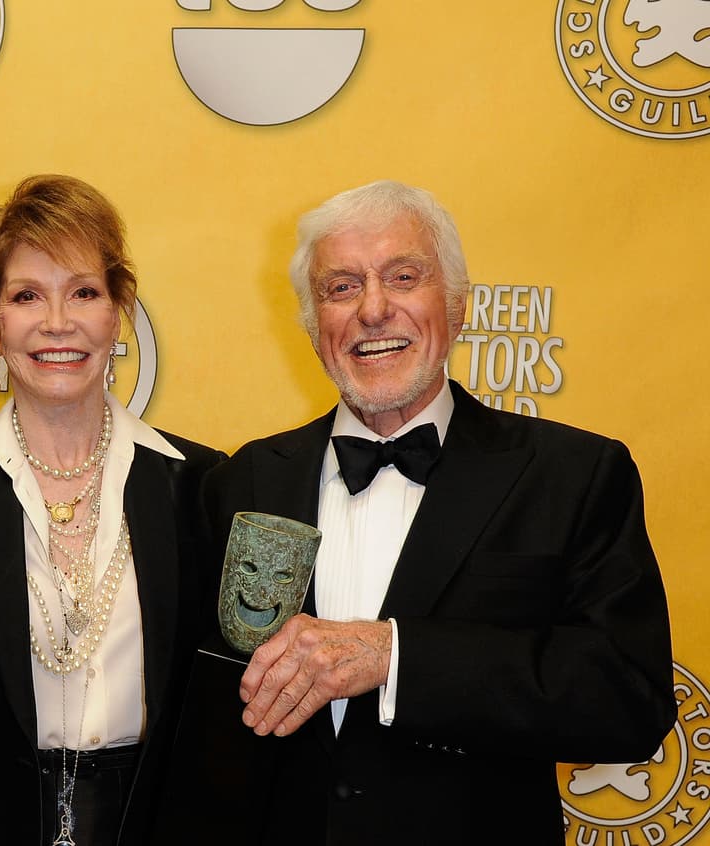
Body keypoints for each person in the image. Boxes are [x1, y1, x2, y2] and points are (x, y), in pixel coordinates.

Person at [156, 179, 674, 844]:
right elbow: (201, 725)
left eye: (404, 277)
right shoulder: (240, 480)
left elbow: (627, 697)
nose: (374, 309)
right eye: (341, 287)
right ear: (315, 328)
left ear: (457, 307)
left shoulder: (571, 475)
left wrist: (395, 656)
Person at [0, 174, 224, 845]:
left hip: (152, 824)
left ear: (117, 313)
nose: (58, 323)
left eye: (84, 293)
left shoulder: (198, 486)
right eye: (26, 295)